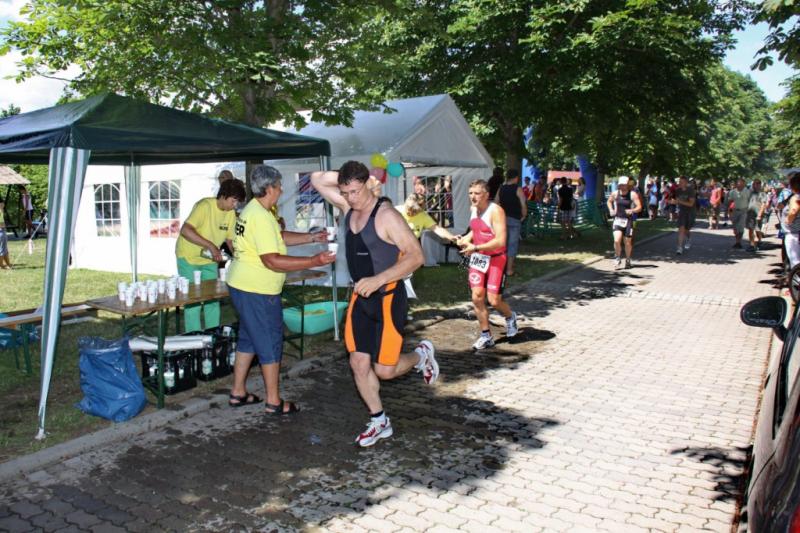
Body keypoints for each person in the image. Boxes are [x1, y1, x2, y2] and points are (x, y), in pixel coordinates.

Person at [311, 161, 440, 447]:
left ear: (368, 185)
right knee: (358, 362)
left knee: (384, 370)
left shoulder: (386, 215)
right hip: (361, 298)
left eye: (355, 191)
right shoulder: (347, 207)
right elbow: (317, 179)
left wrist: (379, 279)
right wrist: (347, 178)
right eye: (345, 192)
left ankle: (421, 355)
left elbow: (416, 256)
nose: (350, 198)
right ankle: (379, 421)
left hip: (388, 298)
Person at [227, 165, 335, 413]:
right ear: (269, 188)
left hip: (241, 284)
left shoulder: (252, 210)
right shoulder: (261, 217)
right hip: (258, 290)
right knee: (270, 341)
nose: (281, 190)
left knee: (249, 338)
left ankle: (238, 392)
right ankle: (274, 401)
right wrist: (314, 260)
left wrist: (311, 238)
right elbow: (272, 260)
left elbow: (278, 237)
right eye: (278, 186)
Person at [175, 179, 246, 333]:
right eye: (234, 200)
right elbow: (185, 230)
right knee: (193, 301)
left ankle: (212, 336)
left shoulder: (230, 214)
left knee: (212, 299)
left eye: (237, 202)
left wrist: (239, 258)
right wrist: (211, 246)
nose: (235, 205)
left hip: (209, 259)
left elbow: (230, 240)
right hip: (188, 257)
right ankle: (194, 339)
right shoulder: (205, 206)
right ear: (224, 195)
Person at [457, 179, 518, 350]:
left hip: (496, 259)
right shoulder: (474, 209)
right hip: (479, 258)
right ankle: (486, 335)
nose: (473, 197)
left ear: (486, 195)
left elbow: (500, 241)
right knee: (477, 297)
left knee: (494, 300)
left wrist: (475, 247)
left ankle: (510, 316)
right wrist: (465, 239)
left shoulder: (496, 211)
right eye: (470, 193)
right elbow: (475, 229)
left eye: (477, 193)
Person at [396, 193, 458, 266]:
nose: (411, 213)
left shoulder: (423, 216)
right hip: (392, 248)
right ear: (405, 205)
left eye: (415, 211)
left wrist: (452, 237)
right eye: (409, 210)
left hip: (408, 251)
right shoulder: (395, 211)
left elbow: (437, 229)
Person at [495, 168, 527, 276]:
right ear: (516, 178)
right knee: (512, 244)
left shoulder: (501, 188)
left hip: (502, 219)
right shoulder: (518, 189)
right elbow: (523, 204)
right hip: (514, 219)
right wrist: (524, 215)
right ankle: (509, 270)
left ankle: (501, 267)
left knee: (503, 244)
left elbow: (495, 203)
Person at [606, 176, 642, 269]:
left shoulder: (632, 194)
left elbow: (639, 207)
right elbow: (609, 201)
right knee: (616, 240)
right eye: (621, 185)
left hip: (628, 221)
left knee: (627, 242)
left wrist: (632, 210)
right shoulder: (615, 193)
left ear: (627, 185)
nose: (622, 186)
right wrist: (611, 210)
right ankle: (617, 257)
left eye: (624, 185)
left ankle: (628, 259)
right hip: (618, 219)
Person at [670, 176, 696, 255]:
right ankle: (679, 248)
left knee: (686, 230)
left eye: (682, 182)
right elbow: (677, 201)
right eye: (679, 182)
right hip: (682, 212)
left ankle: (688, 238)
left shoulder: (690, 190)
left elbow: (691, 204)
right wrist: (672, 202)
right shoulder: (678, 190)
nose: (680, 183)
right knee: (681, 229)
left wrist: (679, 202)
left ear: (686, 183)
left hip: (690, 212)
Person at [782, 172, 800, 271]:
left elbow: (793, 211)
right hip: (797, 233)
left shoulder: (796, 197)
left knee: (795, 262)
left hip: (793, 234)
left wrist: (788, 220)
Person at [728, 179, 751, 249]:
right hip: (735, 211)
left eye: (741, 184)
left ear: (744, 184)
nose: (739, 185)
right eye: (738, 184)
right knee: (735, 227)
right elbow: (730, 201)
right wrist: (729, 212)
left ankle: (738, 242)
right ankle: (737, 240)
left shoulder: (748, 191)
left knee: (741, 227)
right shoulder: (732, 192)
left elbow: (750, 201)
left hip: (744, 211)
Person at [746, 179, 768, 251]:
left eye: (757, 184)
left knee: (757, 229)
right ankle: (752, 245)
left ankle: (759, 241)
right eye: (754, 184)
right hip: (750, 214)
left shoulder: (762, 194)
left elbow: (763, 205)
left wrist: (759, 214)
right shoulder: (750, 193)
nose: (755, 185)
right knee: (751, 229)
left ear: (760, 185)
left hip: (758, 214)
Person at [0, 199, 11, 269]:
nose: (3, 205)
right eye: (2, 203)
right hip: (1, 231)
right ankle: (2, 266)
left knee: (4, 249)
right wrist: (3, 226)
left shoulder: (1, 211)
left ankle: (8, 264)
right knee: (2, 249)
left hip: (2, 230)